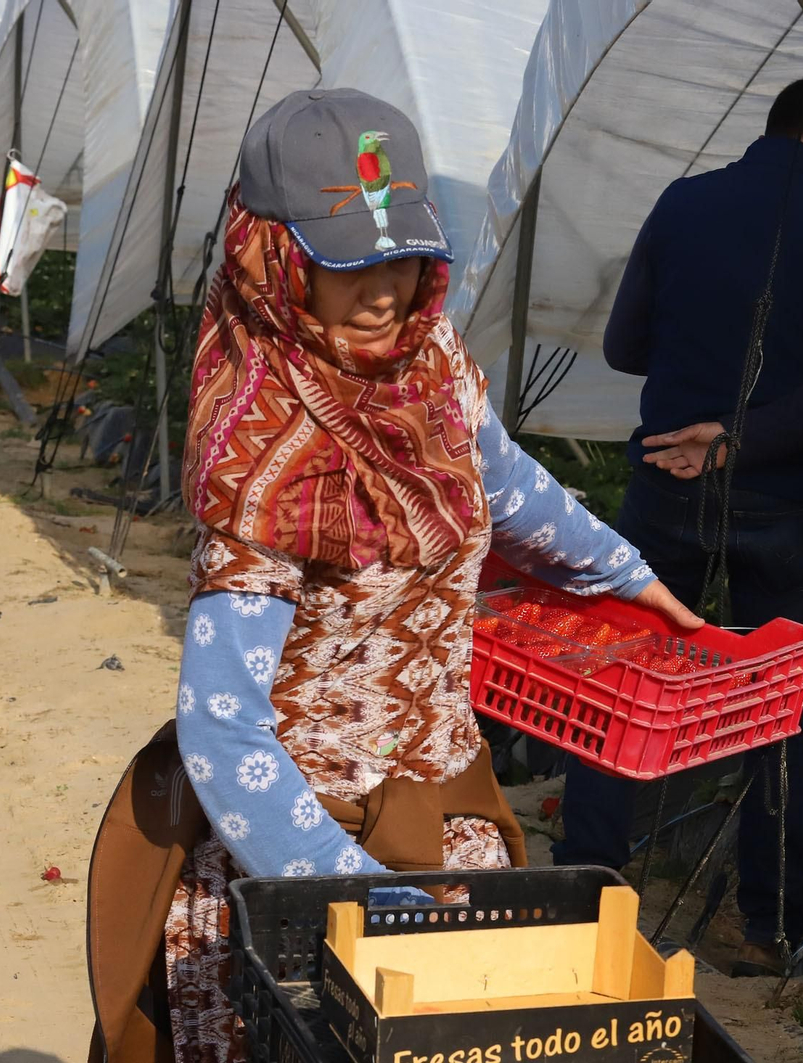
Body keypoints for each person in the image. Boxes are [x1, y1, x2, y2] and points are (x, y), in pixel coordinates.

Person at [83, 88, 699, 1063]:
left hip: (447, 823)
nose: (385, 289)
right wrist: (358, 894)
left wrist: (621, 572)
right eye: (346, 261)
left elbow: (500, 475)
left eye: (403, 252)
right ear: (275, 259)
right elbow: (222, 723)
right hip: (303, 856)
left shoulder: (433, 361)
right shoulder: (259, 454)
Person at [550, 77, 803, 977]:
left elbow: (628, 347)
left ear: (772, 132)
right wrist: (741, 442)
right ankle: (768, 924)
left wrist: (701, 409)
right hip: (783, 501)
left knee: (618, 680)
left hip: (666, 479)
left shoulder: (683, 202)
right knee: (776, 710)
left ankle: (586, 893)